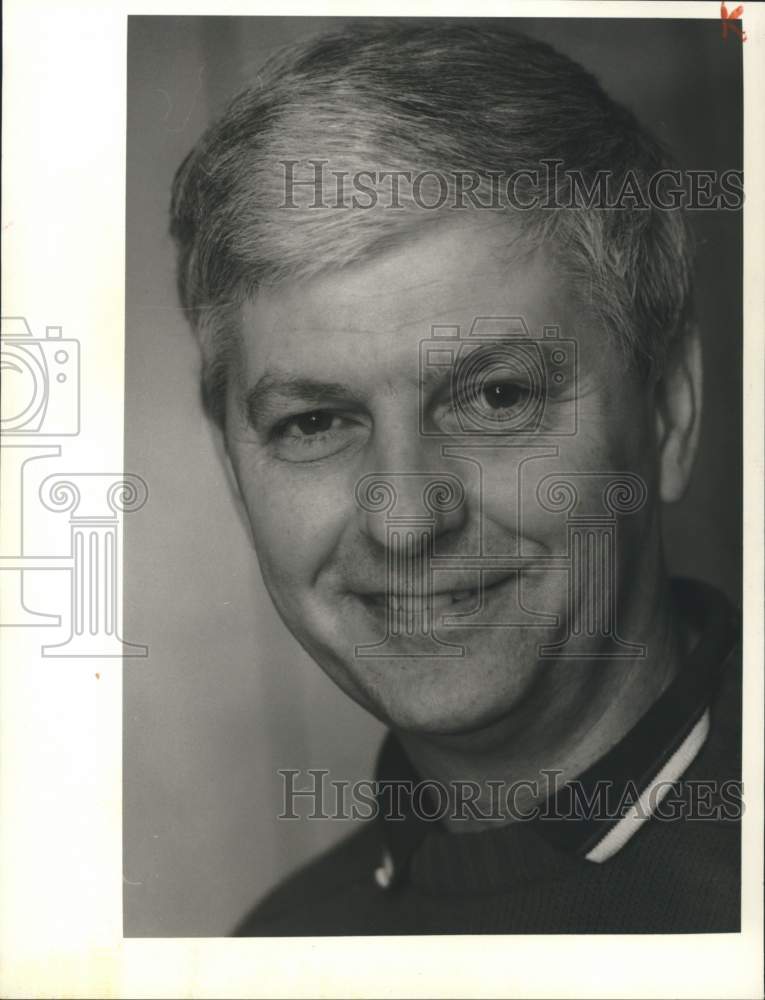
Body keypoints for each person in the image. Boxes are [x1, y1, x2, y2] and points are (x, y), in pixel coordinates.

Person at [169, 22, 741, 934]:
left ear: (667, 410)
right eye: (315, 421)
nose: (403, 518)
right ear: (237, 475)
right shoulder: (282, 947)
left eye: (496, 397)